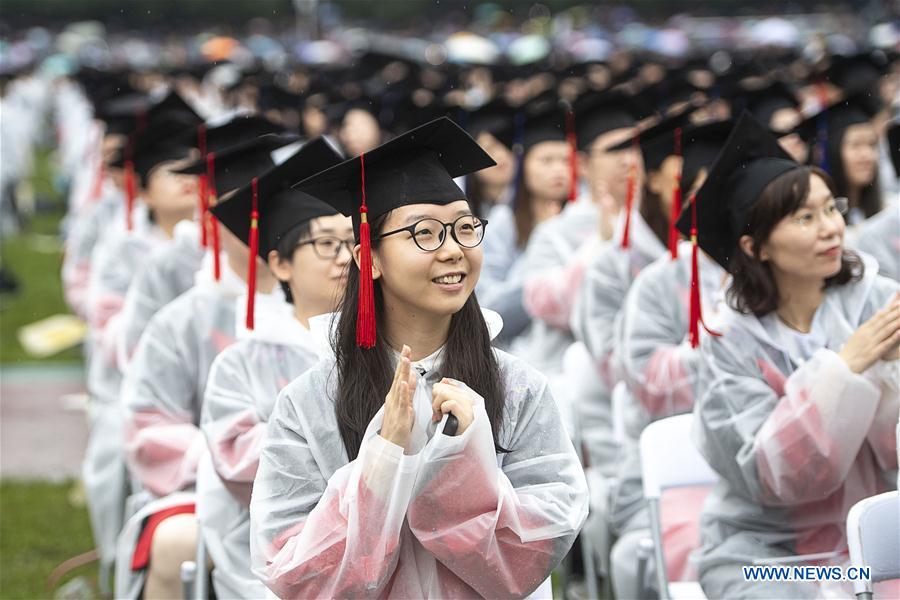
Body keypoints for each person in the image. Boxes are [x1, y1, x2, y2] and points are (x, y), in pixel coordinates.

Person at [250, 117, 588, 598]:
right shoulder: (309, 402)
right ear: (370, 259)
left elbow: (540, 543)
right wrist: (382, 461)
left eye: (465, 228)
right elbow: (291, 570)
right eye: (425, 233)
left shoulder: (518, 388)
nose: (453, 250)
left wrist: (465, 458)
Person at [689, 113, 899, 599]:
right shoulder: (727, 340)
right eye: (805, 218)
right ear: (755, 245)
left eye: (831, 209)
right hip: (768, 554)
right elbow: (771, 476)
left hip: (877, 536)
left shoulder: (876, 299)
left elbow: (894, 446)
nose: (831, 229)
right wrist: (846, 368)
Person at [115, 138, 323, 600]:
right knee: (183, 540)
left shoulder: (335, 317)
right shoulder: (185, 318)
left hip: (319, 496)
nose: (261, 224)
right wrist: (221, 460)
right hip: (207, 486)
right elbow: (147, 424)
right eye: (245, 210)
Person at [197, 138, 347, 598]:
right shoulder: (245, 359)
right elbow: (237, 461)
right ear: (279, 264)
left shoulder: (385, 343)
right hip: (271, 551)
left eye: (351, 242)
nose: (345, 258)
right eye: (326, 244)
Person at [477, 99, 572, 348]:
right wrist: (543, 243)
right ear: (523, 166)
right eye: (547, 160)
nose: (559, 170)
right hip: (516, 348)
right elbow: (490, 307)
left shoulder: (581, 219)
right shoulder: (504, 222)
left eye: (566, 161)